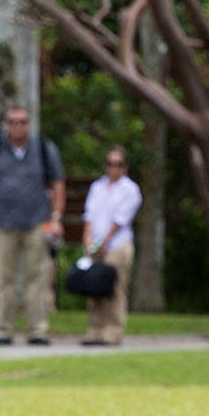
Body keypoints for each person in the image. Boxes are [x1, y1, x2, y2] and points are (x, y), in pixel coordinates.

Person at [0, 104, 64, 347]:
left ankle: (37, 330)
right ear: (5, 125)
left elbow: (57, 183)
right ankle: (4, 329)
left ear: (29, 124)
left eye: (22, 122)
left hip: (37, 221)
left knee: (37, 277)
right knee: (5, 278)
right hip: (4, 222)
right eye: (12, 122)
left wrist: (55, 218)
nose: (17, 126)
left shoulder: (44, 149)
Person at [75, 147, 141, 346]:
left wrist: (104, 241)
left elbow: (120, 219)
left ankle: (112, 330)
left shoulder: (130, 190)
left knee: (114, 288)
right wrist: (88, 240)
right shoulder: (98, 187)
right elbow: (89, 215)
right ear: (105, 166)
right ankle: (94, 329)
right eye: (111, 164)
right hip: (94, 245)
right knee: (93, 288)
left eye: (119, 164)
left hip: (117, 245)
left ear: (125, 167)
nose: (115, 168)